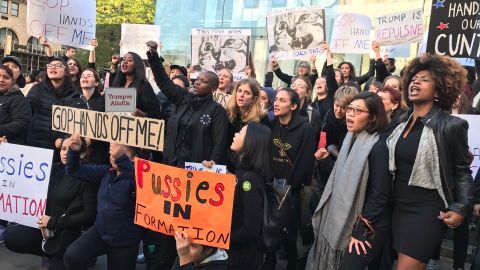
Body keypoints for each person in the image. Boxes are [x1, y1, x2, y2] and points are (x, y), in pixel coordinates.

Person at [386, 54, 473, 270]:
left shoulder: (451, 125)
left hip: (426, 211)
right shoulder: (399, 122)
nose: (415, 81)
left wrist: (461, 207)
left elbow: (462, 172)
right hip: (394, 205)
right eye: (414, 78)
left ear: (438, 90)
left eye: (424, 79)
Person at [306, 91, 390, 270]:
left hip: (367, 226)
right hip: (348, 220)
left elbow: (380, 194)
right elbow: (341, 180)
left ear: (373, 117)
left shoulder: (378, 147)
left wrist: (360, 231)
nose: (350, 114)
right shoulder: (350, 139)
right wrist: (325, 160)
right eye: (350, 109)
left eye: (358, 111)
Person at [4, 137, 96, 270]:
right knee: (12, 238)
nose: (65, 153)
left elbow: (89, 213)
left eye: (70, 149)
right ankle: (47, 252)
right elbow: (22, 168)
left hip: (68, 229)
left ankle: (80, 257)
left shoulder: (88, 176)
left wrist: (55, 222)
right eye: (63, 149)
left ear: (81, 154)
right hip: (45, 226)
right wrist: (7, 150)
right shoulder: (53, 168)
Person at [63, 134, 142, 270]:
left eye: (120, 154)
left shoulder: (138, 179)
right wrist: (74, 151)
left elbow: (140, 178)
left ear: (134, 158)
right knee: (72, 256)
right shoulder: (106, 172)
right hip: (100, 232)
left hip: (125, 241)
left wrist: (122, 160)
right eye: (112, 153)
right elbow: (73, 170)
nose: (114, 157)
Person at [147, 42, 229, 169]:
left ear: (213, 88)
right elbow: (163, 82)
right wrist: (154, 56)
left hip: (195, 169)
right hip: (170, 163)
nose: (197, 83)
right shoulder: (182, 98)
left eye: (203, 81)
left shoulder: (217, 111)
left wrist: (213, 163)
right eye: (197, 79)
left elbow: (220, 143)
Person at [264, 88, 316, 270]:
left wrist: (288, 187)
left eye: (282, 101)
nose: (276, 103)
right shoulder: (270, 124)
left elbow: (304, 162)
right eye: (276, 99)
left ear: (293, 106)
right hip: (270, 185)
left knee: (288, 235)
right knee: (268, 231)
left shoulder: (305, 128)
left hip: (290, 190)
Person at [228, 123, 271, 269]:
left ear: (251, 142)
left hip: (241, 260)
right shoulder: (244, 174)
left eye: (240, 133)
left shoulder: (250, 180)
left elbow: (251, 229)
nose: (235, 135)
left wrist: (223, 240)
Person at [26, 58, 78, 151]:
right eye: (50, 66)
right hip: (33, 143)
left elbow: (74, 123)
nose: (53, 67)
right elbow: (26, 114)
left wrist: (64, 139)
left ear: (66, 72)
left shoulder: (74, 94)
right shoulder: (37, 89)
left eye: (58, 66)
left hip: (59, 147)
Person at [225, 79, 269, 171]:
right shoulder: (227, 113)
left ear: (254, 98)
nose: (241, 95)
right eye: (239, 91)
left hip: (249, 166)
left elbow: (261, 147)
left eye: (247, 93)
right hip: (227, 162)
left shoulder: (261, 118)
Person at [70, 68, 109, 164]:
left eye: (89, 76)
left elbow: (110, 125)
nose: (85, 78)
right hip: (77, 152)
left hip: (98, 154)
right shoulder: (73, 101)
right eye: (83, 76)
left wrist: (93, 138)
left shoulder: (105, 101)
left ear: (96, 83)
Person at [111, 51, 161, 119]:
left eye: (130, 60)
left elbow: (156, 114)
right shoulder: (117, 84)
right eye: (123, 59)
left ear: (137, 65)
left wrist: (142, 114)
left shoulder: (143, 86)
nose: (125, 61)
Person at [0, 65, 31, 145]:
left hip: (8, 148)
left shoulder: (18, 99)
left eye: (6, 77)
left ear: (12, 81)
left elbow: (21, 123)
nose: (1, 80)